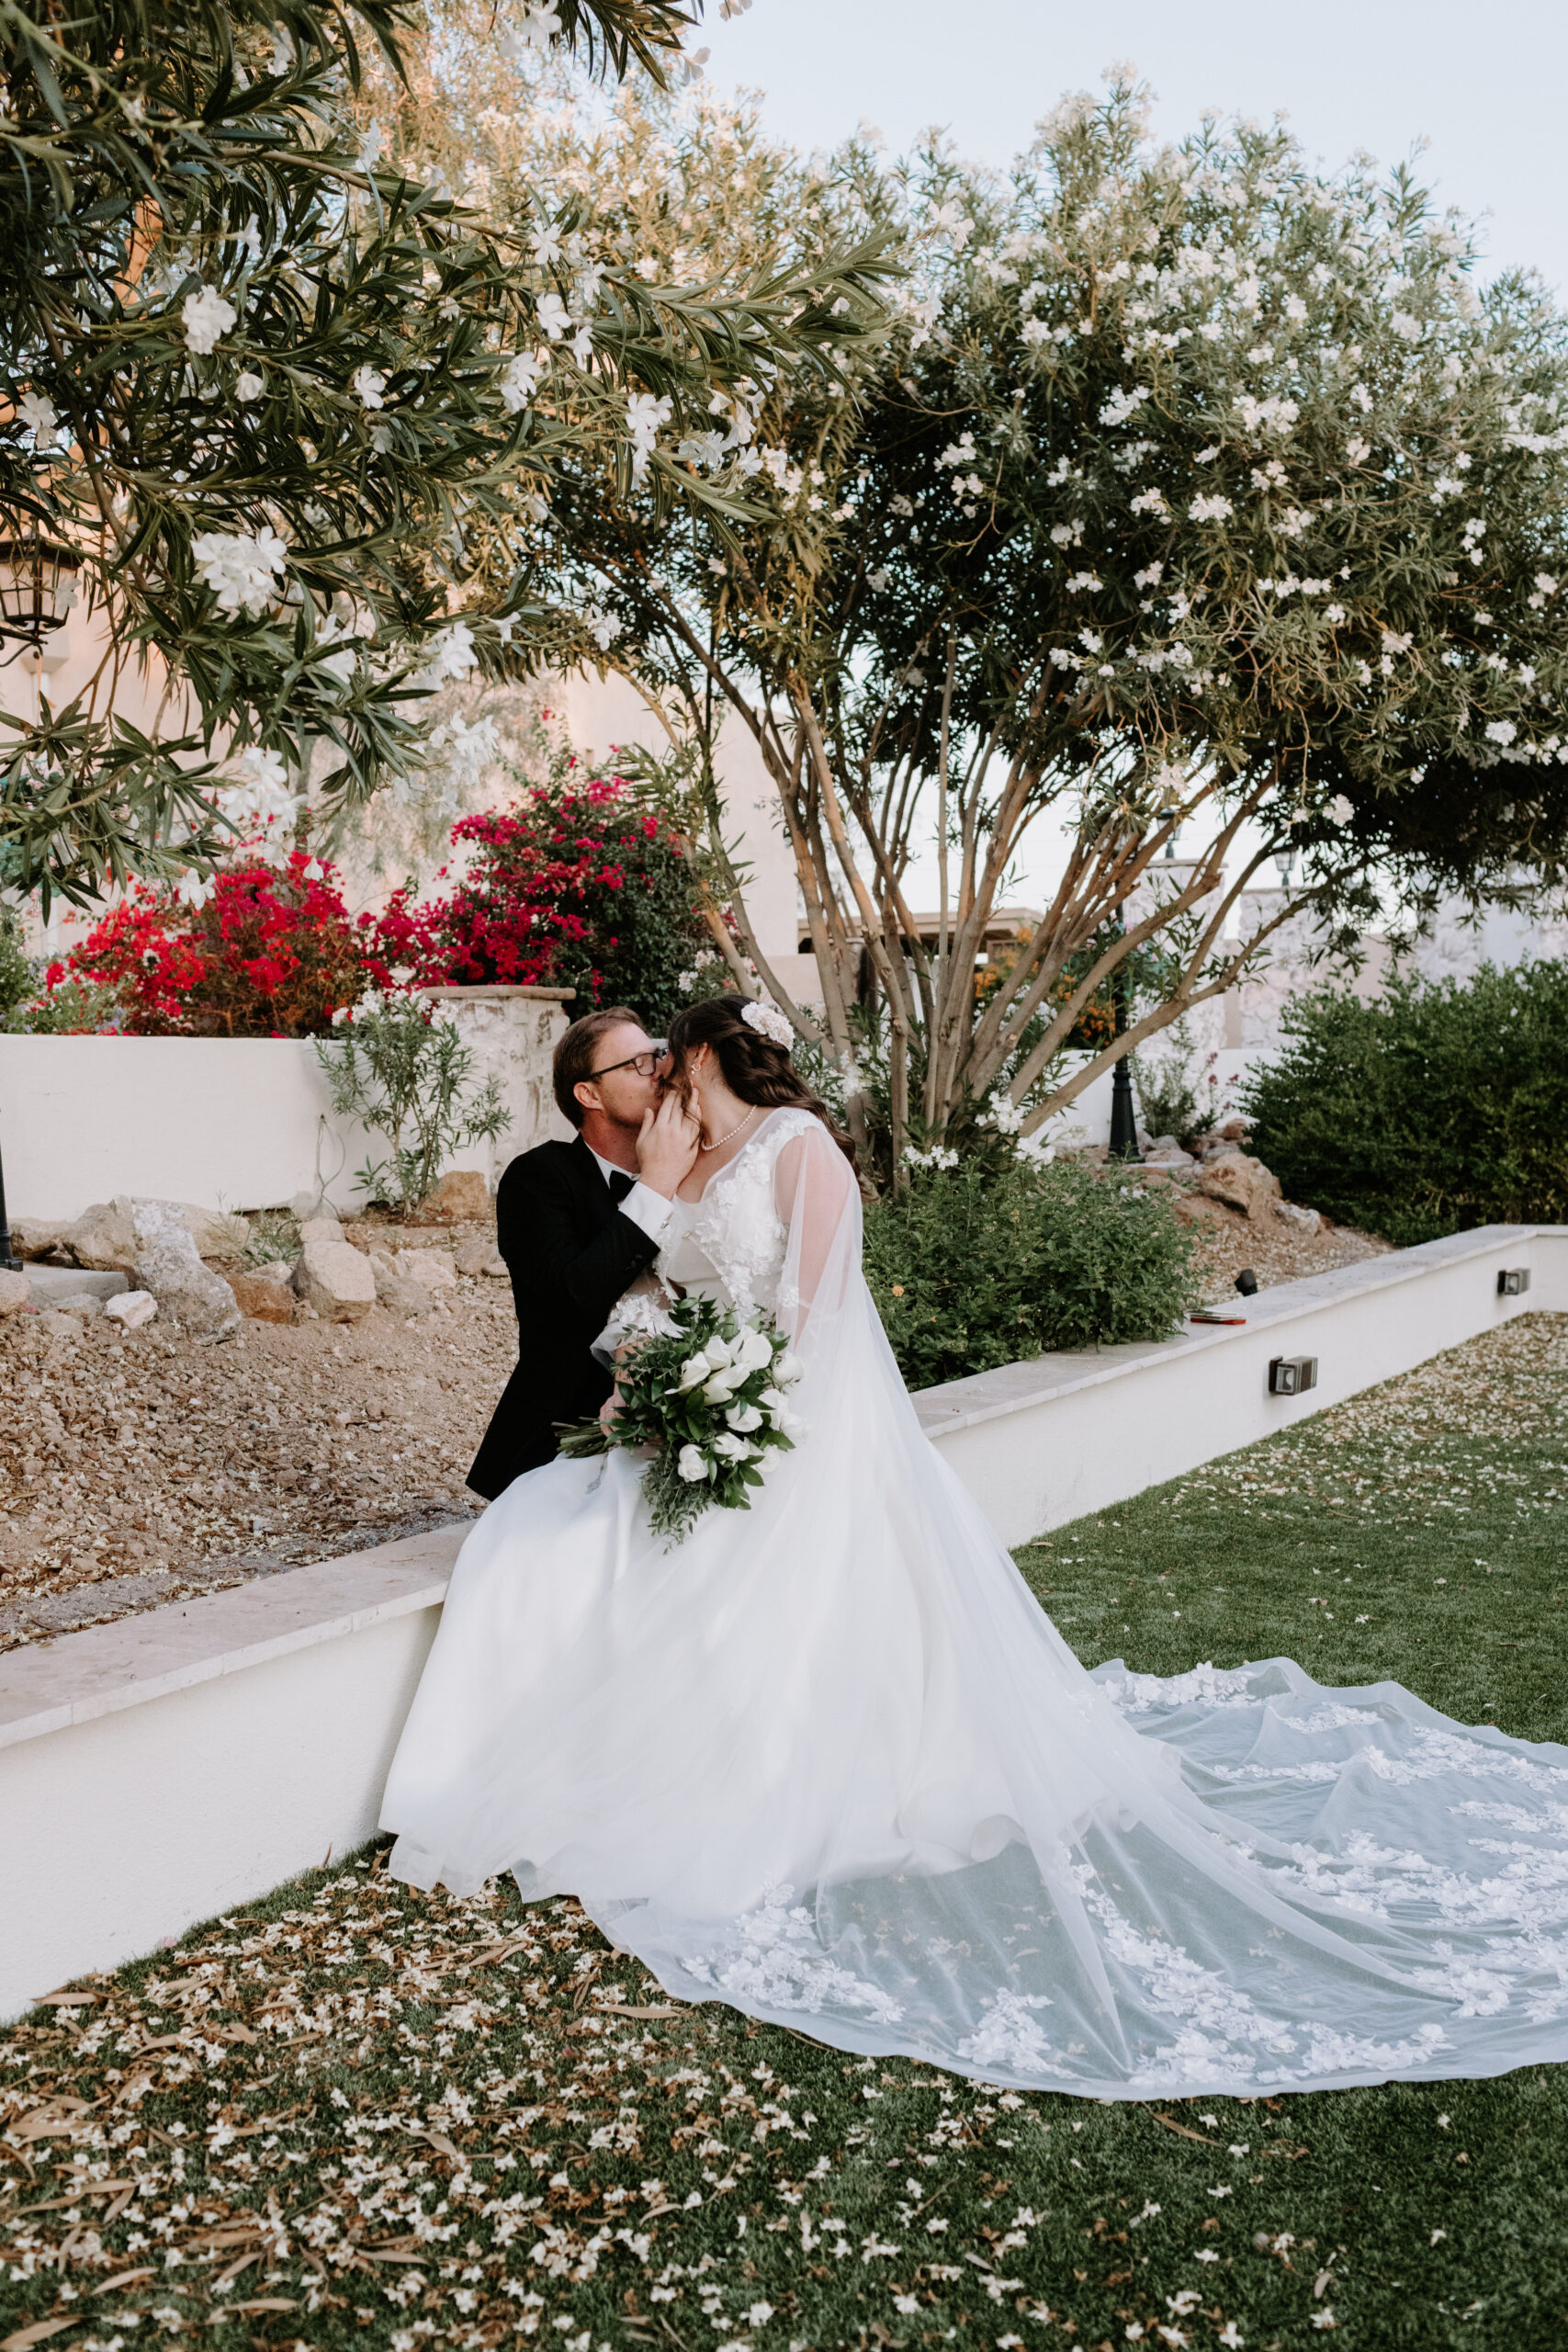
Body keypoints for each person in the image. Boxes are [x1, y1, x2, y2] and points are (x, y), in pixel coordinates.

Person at [385, 993, 1568, 2098]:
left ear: (700, 1061)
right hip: (686, 1413)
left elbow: (815, 1320)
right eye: (637, 1064)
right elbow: (652, 1288)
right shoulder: (679, 1160)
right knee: (563, 1540)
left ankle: (742, 1772)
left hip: (779, 1419)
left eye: (667, 1057)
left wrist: (726, 1396)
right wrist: (657, 1374)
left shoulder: (796, 1148)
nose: (657, 1075)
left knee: (719, 1580)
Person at [465, 1007, 701, 1501]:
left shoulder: (699, 1166)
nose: (658, 1068)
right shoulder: (537, 1179)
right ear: (588, 1093)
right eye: (636, 1063)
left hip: (697, 1431)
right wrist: (656, 1184)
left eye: (656, 1054)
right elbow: (576, 1296)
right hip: (565, 1442)